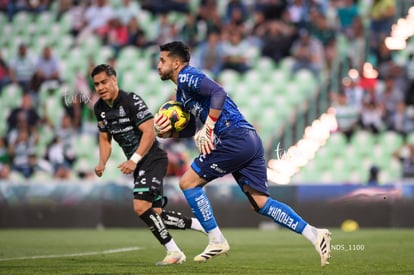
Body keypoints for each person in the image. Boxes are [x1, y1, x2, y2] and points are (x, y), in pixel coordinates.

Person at [154, 41, 332, 266]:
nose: (158, 65)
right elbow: (189, 128)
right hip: (248, 139)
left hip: (233, 137)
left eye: (162, 60)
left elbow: (218, 92)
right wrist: (168, 132)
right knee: (260, 203)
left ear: (176, 62)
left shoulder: (187, 76)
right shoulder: (181, 93)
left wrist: (208, 128)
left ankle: (216, 239)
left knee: (189, 182)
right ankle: (315, 234)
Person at [91, 64, 204, 266]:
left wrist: (133, 161)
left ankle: (174, 251)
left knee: (140, 206)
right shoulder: (99, 108)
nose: (100, 87)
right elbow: (104, 139)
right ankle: (200, 224)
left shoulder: (130, 100)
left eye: (104, 82)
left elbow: (150, 131)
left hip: (151, 158)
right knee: (156, 213)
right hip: (140, 164)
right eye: (96, 84)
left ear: (114, 80)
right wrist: (101, 163)